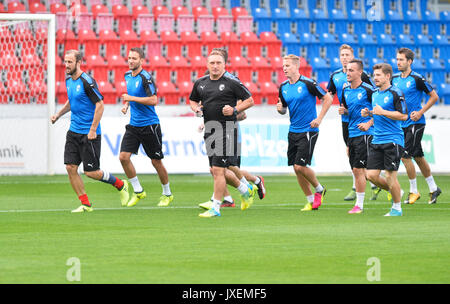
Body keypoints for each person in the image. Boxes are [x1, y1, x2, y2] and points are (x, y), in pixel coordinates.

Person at [50, 50, 130, 213]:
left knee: (91, 172)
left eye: (69, 62)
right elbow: (72, 101)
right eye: (65, 62)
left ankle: (120, 185)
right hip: (73, 132)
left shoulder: (87, 81)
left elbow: (100, 105)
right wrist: (58, 114)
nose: (66, 65)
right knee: (70, 167)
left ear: (78, 63)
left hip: (89, 133)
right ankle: (86, 204)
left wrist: (93, 129)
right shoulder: (68, 81)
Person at [189, 49, 257, 218]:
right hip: (210, 128)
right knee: (215, 169)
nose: (215, 66)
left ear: (224, 64)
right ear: (207, 64)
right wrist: (196, 108)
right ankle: (245, 190)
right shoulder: (201, 82)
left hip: (227, 129)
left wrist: (234, 109)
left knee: (219, 170)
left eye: (218, 63)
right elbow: (192, 100)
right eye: (212, 63)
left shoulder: (231, 82)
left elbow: (250, 100)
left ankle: (216, 208)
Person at [277, 54, 333, 211]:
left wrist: (319, 119)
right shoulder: (283, 87)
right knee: (296, 168)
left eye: (287, 65)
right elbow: (283, 109)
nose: (284, 68)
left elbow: (327, 98)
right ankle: (310, 200)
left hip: (309, 129)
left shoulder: (308, 83)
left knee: (300, 166)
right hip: (293, 130)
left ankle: (320, 189)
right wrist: (280, 109)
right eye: (283, 66)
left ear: (296, 66)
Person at [119, 47, 173, 207]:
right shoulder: (127, 76)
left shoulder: (146, 77)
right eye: (129, 58)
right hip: (134, 125)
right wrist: (127, 104)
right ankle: (138, 191)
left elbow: (153, 100)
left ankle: (167, 193)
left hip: (149, 125)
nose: (130, 61)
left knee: (156, 162)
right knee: (123, 157)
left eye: (134, 58)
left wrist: (131, 98)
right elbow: (132, 94)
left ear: (141, 60)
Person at [327, 44, 381, 201]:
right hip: (347, 121)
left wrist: (370, 117)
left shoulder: (361, 77)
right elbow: (330, 94)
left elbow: (372, 95)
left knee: (363, 157)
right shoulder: (335, 76)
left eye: (347, 55)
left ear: (353, 57)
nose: (344, 57)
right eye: (342, 55)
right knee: (350, 152)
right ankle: (368, 185)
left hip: (363, 122)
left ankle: (370, 184)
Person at [392, 47, 441, 205]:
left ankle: (414, 191)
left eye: (401, 59)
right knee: (418, 157)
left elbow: (434, 96)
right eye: (397, 59)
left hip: (416, 122)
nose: (398, 62)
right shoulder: (394, 79)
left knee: (405, 155)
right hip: (402, 124)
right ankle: (434, 188)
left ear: (409, 61)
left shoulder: (417, 79)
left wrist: (420, 112)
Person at [362, 63, 408, 216]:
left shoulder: (396, 93)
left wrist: (382, 111)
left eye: (378, 75)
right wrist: (369, 114)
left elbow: (403, 116)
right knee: (371, 176)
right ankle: (396, 190)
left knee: (389, 176)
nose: (375, 78)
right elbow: (378, 114)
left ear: (387, 76)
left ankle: (396, 208)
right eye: (374, 75)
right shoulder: (375, 94)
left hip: (393, 140)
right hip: (377, 140)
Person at [340, 59, 375, 214]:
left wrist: (369, 122)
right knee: (360, 171)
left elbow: (381, 111)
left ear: (360, 72)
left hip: (366, 134)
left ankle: (359, 205)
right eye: (347, 70)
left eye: (351, 70)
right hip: (352, 134)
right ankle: (394, 190)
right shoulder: (345, 89)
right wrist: (344, 112)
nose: (348, 73)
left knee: (359, 169)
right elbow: (349, 110)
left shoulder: (368, 90)